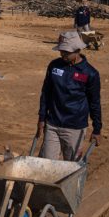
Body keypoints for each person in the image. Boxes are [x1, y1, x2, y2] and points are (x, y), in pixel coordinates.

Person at [36, 31, 102, 161]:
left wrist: (97, 129)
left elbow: (95, 103)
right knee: (46, 164)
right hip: (52, 124)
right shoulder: (54, 66)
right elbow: (46, 93)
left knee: (71, 168)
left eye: (66, 52)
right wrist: (42, 118)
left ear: (77, 50)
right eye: (61, 51)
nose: (62, 54)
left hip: (75, 127)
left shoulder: (90, 73)